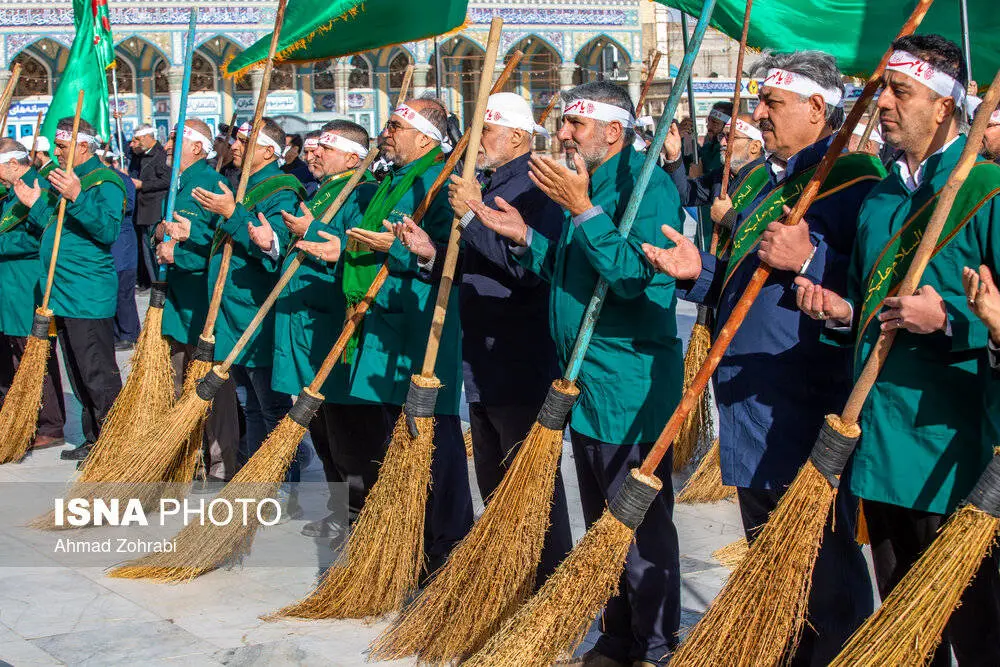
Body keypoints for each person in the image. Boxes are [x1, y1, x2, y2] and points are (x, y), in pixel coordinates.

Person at [644, 50, 887, 665]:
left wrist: (810, 261)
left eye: (772, 103)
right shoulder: (764, 180)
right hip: (749, 397)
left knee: (819, 564)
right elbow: (741, 279)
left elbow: (872, 287)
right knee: (771, 558)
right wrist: (698, 272)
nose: (758, 115)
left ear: (817, 108)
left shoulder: (855, 182)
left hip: (802, 399)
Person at [794, 35, 1000, 665]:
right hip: (877, 439)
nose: (882, 103)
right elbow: (868, 301)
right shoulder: (882, 195)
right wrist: (842, 312)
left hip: (949, 447)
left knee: (975, 626)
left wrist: (951, 319)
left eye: (899, 91)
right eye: (883, 89)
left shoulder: (986, 190)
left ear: (943, 106)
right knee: (904, 632)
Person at [469, 80, 686, 667]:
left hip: (627, 381)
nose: (563, 133)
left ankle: (655, 645)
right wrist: (525, 238)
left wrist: (583, 210)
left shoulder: (648, 187)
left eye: (575, 124)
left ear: (614, 131)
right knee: (601, 524)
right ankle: (617, 635)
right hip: (584, 380)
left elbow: (633, 278)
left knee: (636, 524)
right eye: (564, 122)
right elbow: (571, 272)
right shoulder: (584, 182)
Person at [394, 92, 572, 583]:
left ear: (516, 136)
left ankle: (546, 583)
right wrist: (430, 254)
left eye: (486, 132)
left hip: (519, 354)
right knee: (494, 481)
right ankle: (505, 579)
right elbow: (472, 264)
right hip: (481, 357)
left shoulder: (538, 187)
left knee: (529, 485)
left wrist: (472, 216)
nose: (476, 142)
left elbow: (528, 270)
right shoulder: (491, 183)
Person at [344, 96, 473, 575]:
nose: (386, 133)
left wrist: (400, 250)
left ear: (423, 137)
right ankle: (407, 542)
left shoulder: (438, 179)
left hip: (420, 324)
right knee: (393, 436)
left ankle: (446, 547)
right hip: (384, 320)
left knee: (432, 437)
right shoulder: (395, 178)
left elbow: (447, 255)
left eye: (395, 126)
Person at [270, 120, 378, 537]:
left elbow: (358, 249)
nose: (313, 153)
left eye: (325, 148)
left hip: (332, 324)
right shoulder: (323, 190)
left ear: (353, 157)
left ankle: (358, 512)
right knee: (323, 426)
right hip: (305, 324)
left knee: (347, 432)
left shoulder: (362, 191)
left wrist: (311, 230)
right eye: (314, 146)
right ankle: (340, 508)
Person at [193, 118, 305, 484]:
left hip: (257, 311)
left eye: (245, 141)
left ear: (269, 152)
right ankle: (258, 477)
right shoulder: (241, 183)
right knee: (252, 404)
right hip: (232, 311)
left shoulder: (282, 191)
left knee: (271, 405)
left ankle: (283, 479)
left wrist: (232, 214)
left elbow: (273, 250)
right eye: (237, 140)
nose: (235, 146)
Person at [15, 117, 125, 462]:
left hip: (86, 292)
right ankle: (94, 436)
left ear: (83, 146)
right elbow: (51, 224)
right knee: (77, 372)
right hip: (62, 291)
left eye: (62, 146)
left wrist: (77, 195)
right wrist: (35, 205)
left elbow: (108, 230)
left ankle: (113, 442)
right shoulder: (63, 178)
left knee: (97, 372)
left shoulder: (104, 181)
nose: (57, 153)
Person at [155, 119, 241, 483]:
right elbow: (165, 232)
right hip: (177, 306)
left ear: (196, 148)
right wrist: (161, 236)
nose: (167, 143)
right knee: (180, 386)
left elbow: (219, 248)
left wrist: (179, 253)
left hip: (203, 306)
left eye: (175, 138)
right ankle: (189, 458)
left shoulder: (210, 185)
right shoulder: (177, 184)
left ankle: (222, 464)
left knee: (212, 388)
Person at [0, 139, 65, 450]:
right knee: (12, 353)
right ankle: (16, 416)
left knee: (34, 354)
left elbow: (41, 238)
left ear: (14, 164)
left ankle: (50, 424)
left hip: (27, 284)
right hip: (9, 286)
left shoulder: (40, 187)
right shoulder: (11, 189)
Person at [663, 113, 767, 256]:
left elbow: (764, 235)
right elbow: (684, 194)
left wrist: (729, 218)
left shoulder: (768, 178)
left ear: (754, 147)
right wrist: (674, 157)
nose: (723, 142)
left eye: (730, 137)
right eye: (722, 136)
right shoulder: (721, 176)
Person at [98, 148, 140, 350]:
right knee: (113, 291)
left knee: (124, 291)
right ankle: (117, 333)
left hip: (123, 243)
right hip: (111, 245)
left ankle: (129, 334)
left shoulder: (121, 179)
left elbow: (129, 205)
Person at [131, 125, 170, 290]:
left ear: (148, 137)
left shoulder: (160, 155)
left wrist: (143, 185)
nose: (135, 143)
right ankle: (154, 285)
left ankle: (160, 286)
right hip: (142, 210)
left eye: (138, 139)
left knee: (155, 252)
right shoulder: (140, 156)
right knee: (147, 253)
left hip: (154, 210)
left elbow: (166, 180)